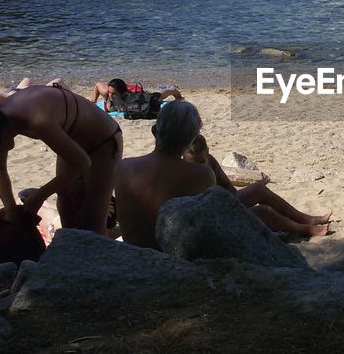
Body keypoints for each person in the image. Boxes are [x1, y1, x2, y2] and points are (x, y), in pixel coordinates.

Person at [114, 101, 330, 249]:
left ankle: (306, 220)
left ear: (154, 131)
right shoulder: (199, 174)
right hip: (171, 249)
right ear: (192, 139)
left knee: (257, 190)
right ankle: (304, 227)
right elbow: (218, 219)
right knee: (261, 211)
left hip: (137, 247)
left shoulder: (124, 167)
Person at [0, 84, 122, 235]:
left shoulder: (38, 121)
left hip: (103, 141)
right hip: (71, 139)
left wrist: (39, 197)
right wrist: (10, 209)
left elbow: (82, 163)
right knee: (66, 207)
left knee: (93, 219)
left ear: (4, 135)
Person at [91, 78, 183, 113]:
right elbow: (97, 85)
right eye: (110, 92)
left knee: (156, 97)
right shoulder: (107, 93)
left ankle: (172, 90)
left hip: (137, 94)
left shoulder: (130, 98)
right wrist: (94, 101)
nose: (111, 95)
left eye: (114, 93)